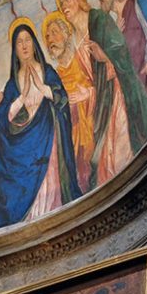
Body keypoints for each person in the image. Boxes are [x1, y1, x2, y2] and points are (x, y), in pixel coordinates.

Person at [0, 18, 82, 233]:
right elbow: (1, 120)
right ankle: (29, 219)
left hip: (48, 138)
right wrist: (20, 100)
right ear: (15, 49)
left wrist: (44, 89)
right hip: (21, 147)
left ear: (34, 43)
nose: (24, 46)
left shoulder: (47, 72)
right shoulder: (12, 83)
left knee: (50, 179)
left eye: (27, 40)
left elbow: (62, 100)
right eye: (19, 42)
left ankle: (52, 211)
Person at [57, 0, 147, 155]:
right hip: (100, 103)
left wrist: (104, 56)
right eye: (61, 2)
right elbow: (88, 80)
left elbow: (123, 53)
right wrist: (85, 93)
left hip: (117, 94)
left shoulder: (99, 19)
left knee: (119, 150)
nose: (64, 5)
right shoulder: (75, 43)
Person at [42, 10, 131, 189]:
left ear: (67, 34)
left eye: (54, 32)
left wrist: (88, 94)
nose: (51, 40)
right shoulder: (54, 77)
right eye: (47, 36)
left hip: (97, 129)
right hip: (73, 139)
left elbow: (108, 85)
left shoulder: (84, 57)